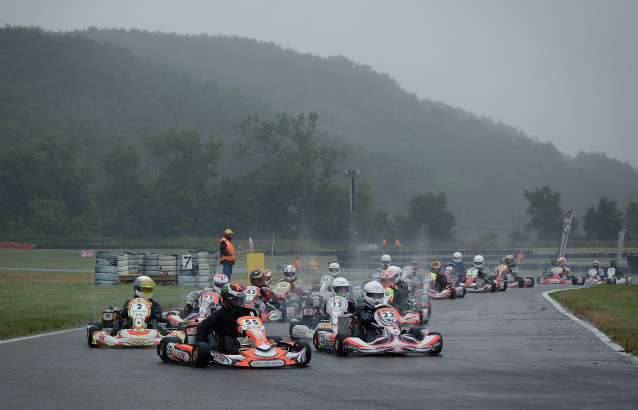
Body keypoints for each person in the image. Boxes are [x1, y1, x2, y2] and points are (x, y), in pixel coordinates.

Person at [196, 283, 255, 354]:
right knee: (229, 340)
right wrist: (203, 348)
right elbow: (202, 327)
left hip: (243, 339)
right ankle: (243, 351)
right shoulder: (218, 314)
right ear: (226, 299)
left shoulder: (243, 312)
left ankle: (260, 348)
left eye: (240, 300)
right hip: (224, 342)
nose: (239, 303)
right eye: (235, 300)